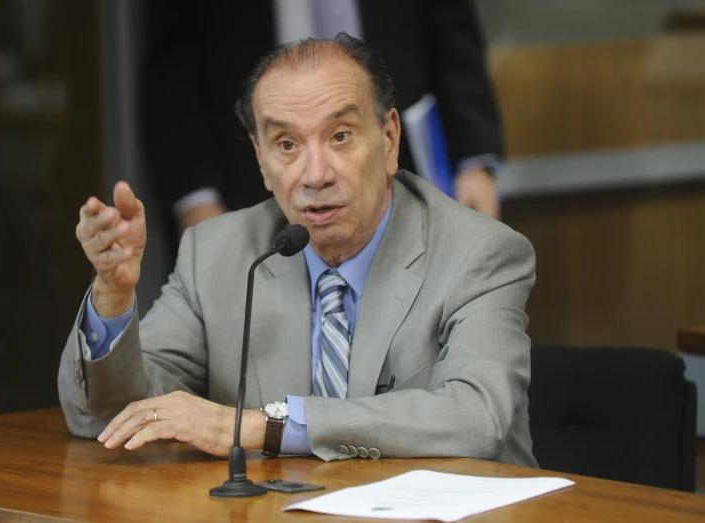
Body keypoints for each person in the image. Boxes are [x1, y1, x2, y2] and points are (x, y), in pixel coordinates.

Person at [59, 34, 536, 466]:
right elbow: (109, 418)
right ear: (261, 163)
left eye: (340, 137)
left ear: (389, 140)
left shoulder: (480, 253)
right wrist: (114, 295)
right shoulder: (216, 253)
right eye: (286, 144)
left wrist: (257, 427)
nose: (315, 174)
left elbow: (475, 419)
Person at [139, 0, 502, 252]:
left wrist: (472, 160)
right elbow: (173, 61)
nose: (319, 176)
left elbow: (452, 26)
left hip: (408, 168)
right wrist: (197, 196)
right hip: (243, 186)